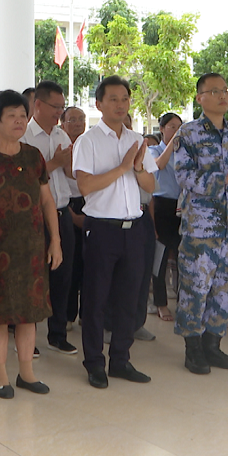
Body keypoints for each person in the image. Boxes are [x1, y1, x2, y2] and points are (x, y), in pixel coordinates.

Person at [0, 89, 62, 398]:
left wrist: (55, 240)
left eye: (23, 116)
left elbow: (47, 201)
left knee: (29, 313)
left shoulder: (33, 156)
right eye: (12, 117)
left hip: (31, 247)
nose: (19, 122)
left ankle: (27, 374)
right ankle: (1, 376)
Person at [72, 76, 157, 389]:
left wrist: (136, 169)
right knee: (95, 300)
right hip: (102, 229)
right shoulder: (89, 141)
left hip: (134, 228)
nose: (121, 104)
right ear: (99, 104)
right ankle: (95, 363)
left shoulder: (137, 139)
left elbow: (151, 186)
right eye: (113, 99)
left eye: (125, 99)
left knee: (129, 297)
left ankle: (121, 359)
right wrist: (122, 168)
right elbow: (85, 186)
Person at [171, 73, 228, 374]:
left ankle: (213, 345)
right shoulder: (189, 133)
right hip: (200, 227)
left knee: (224, 289)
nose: (223, 96)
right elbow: (183, 176)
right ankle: (193, 349)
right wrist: (226, 179)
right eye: (214, 91)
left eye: (225, 90)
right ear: (200, 98)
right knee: (195, 287)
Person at [19, 80, 78, 355]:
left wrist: (65, 165)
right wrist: (52, 164)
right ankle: (27, 339)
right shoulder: (23, 137)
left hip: (62, 211)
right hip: (33, 216)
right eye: (55, 107)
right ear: (38, 105)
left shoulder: (62, 136)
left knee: (63, 275)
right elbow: (22, 179)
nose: (59, 113)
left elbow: (68, 174)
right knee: (31, 277)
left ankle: (57, 333)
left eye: (61, 107)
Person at [148, 112, 183, 324]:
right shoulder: (154, 149)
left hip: (182, 207)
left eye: (179, 127)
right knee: (159, 259)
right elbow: (158, 165)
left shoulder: (185, 153)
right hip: (162, 206)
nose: (176, 130)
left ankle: (184, 302)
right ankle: (160, 303)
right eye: (172, 126)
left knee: (183, 259)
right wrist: (172, 144)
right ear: (161, 129)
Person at [61, 106, 87, 325]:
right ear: (63, 124)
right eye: (72, 120)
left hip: (90, 204)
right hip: (67, 205)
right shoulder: (60, 146)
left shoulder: (90, 145)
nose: (78, 124)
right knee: (70, 265)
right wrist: (70, 215)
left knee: (89, 265)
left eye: (81, 119)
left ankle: (86, 315)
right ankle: (68, 315)